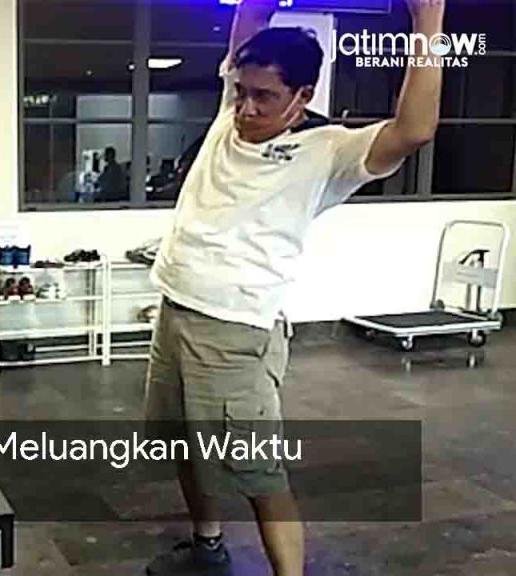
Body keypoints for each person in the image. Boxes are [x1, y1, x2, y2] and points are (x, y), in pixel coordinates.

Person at [144, 1, 443, 575]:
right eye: (241, 91)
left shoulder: (328, 150)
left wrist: (427, 24)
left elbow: (414, 130)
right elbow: (251, 16)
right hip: (175, 310)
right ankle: (207, 548)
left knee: (260, 475)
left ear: (301, 96)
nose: (246, 107)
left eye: (264, 97)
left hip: (236, 333)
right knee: (183, 444)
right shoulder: (229, 117)